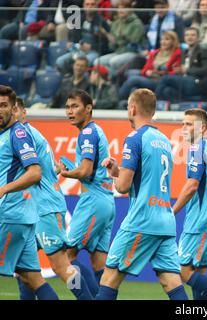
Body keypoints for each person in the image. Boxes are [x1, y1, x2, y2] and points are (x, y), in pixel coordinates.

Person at [95, 89, 188, 300]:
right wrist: (119, 172)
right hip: (165, 220)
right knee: (171, 281)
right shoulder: (164, 140)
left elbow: (123, 187)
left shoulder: (135, 138)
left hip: (142, 219)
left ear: (133, 108)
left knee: (109, 277)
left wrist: (113, 176)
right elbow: (147, 177)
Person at [14, 98, 93, 300]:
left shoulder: (24, 135)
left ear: (24, 113)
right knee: (24, 268)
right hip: (33, 209)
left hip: (44, 208)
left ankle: (86, 298)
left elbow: (34, 173)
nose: (12, 114)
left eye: (16, 110)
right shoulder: (27, 136)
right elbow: (52, 167)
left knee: (62, 266)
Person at [0, 85, 59, 300]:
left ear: (14, 108)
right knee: (32, 278)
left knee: (62, 266)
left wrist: (4, 189)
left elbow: (35, 173)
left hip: (8, 214)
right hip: (23, 216)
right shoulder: (6, 135)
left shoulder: (18, 133)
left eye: (4, 105)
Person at [60, 89, 116, 297]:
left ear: (88, 108)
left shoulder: (88, 133)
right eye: (67, 107)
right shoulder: (96, 131)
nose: (69, 111)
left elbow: (85, 171)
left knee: (65, 258)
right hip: (106, 201)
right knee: (98, 261)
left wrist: (65, 172)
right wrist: (67, 168)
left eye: (75, 106)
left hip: (93, 200)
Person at [171, 108, 207, 300]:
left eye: (189, 124)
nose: (184, 128)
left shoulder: (196, 148)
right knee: (198, 273)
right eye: (182, 124)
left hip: (200, 221)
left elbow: (192, 185)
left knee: (183, 272)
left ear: (202, 127)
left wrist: (172, 212)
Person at [119, 31, 182, 100]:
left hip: (160, 81)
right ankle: (125, 102)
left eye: (167, 39)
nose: (163, 42)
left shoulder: (177, 54)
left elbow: (176, 72)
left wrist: (159, 73)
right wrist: (147, 72)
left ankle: (119, 99)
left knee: (133, 79)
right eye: (162, 39)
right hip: (150, 77)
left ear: (173, 41)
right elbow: (145, 69)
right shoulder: (155, 53)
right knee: (129, 74)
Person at [155, 27, 207, 103]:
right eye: (187, 35)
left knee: (166, 79)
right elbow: (182, 70)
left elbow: (206, 70)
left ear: (198, 38)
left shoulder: (203, 51)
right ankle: (183, 106)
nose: (189, 37)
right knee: (167, 91)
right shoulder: (184, 52)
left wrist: (187, 70)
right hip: (184, 82)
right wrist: (178, 71)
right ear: (184, 38)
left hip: (197, 83)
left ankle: (152, 103)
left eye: (193, 35)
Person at [95, 0, 145, 78]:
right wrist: (111, 40)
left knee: (113, 62)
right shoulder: (116, 23)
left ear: (130, 10)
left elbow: (135, 42)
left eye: (124, 8)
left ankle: (113, 81)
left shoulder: (137, 23)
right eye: (119, 8)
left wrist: (124, 36)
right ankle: (106, 80)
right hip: (118, 52)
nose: (121, 10)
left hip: (133, 52)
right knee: (97, 62)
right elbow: (112, 45)